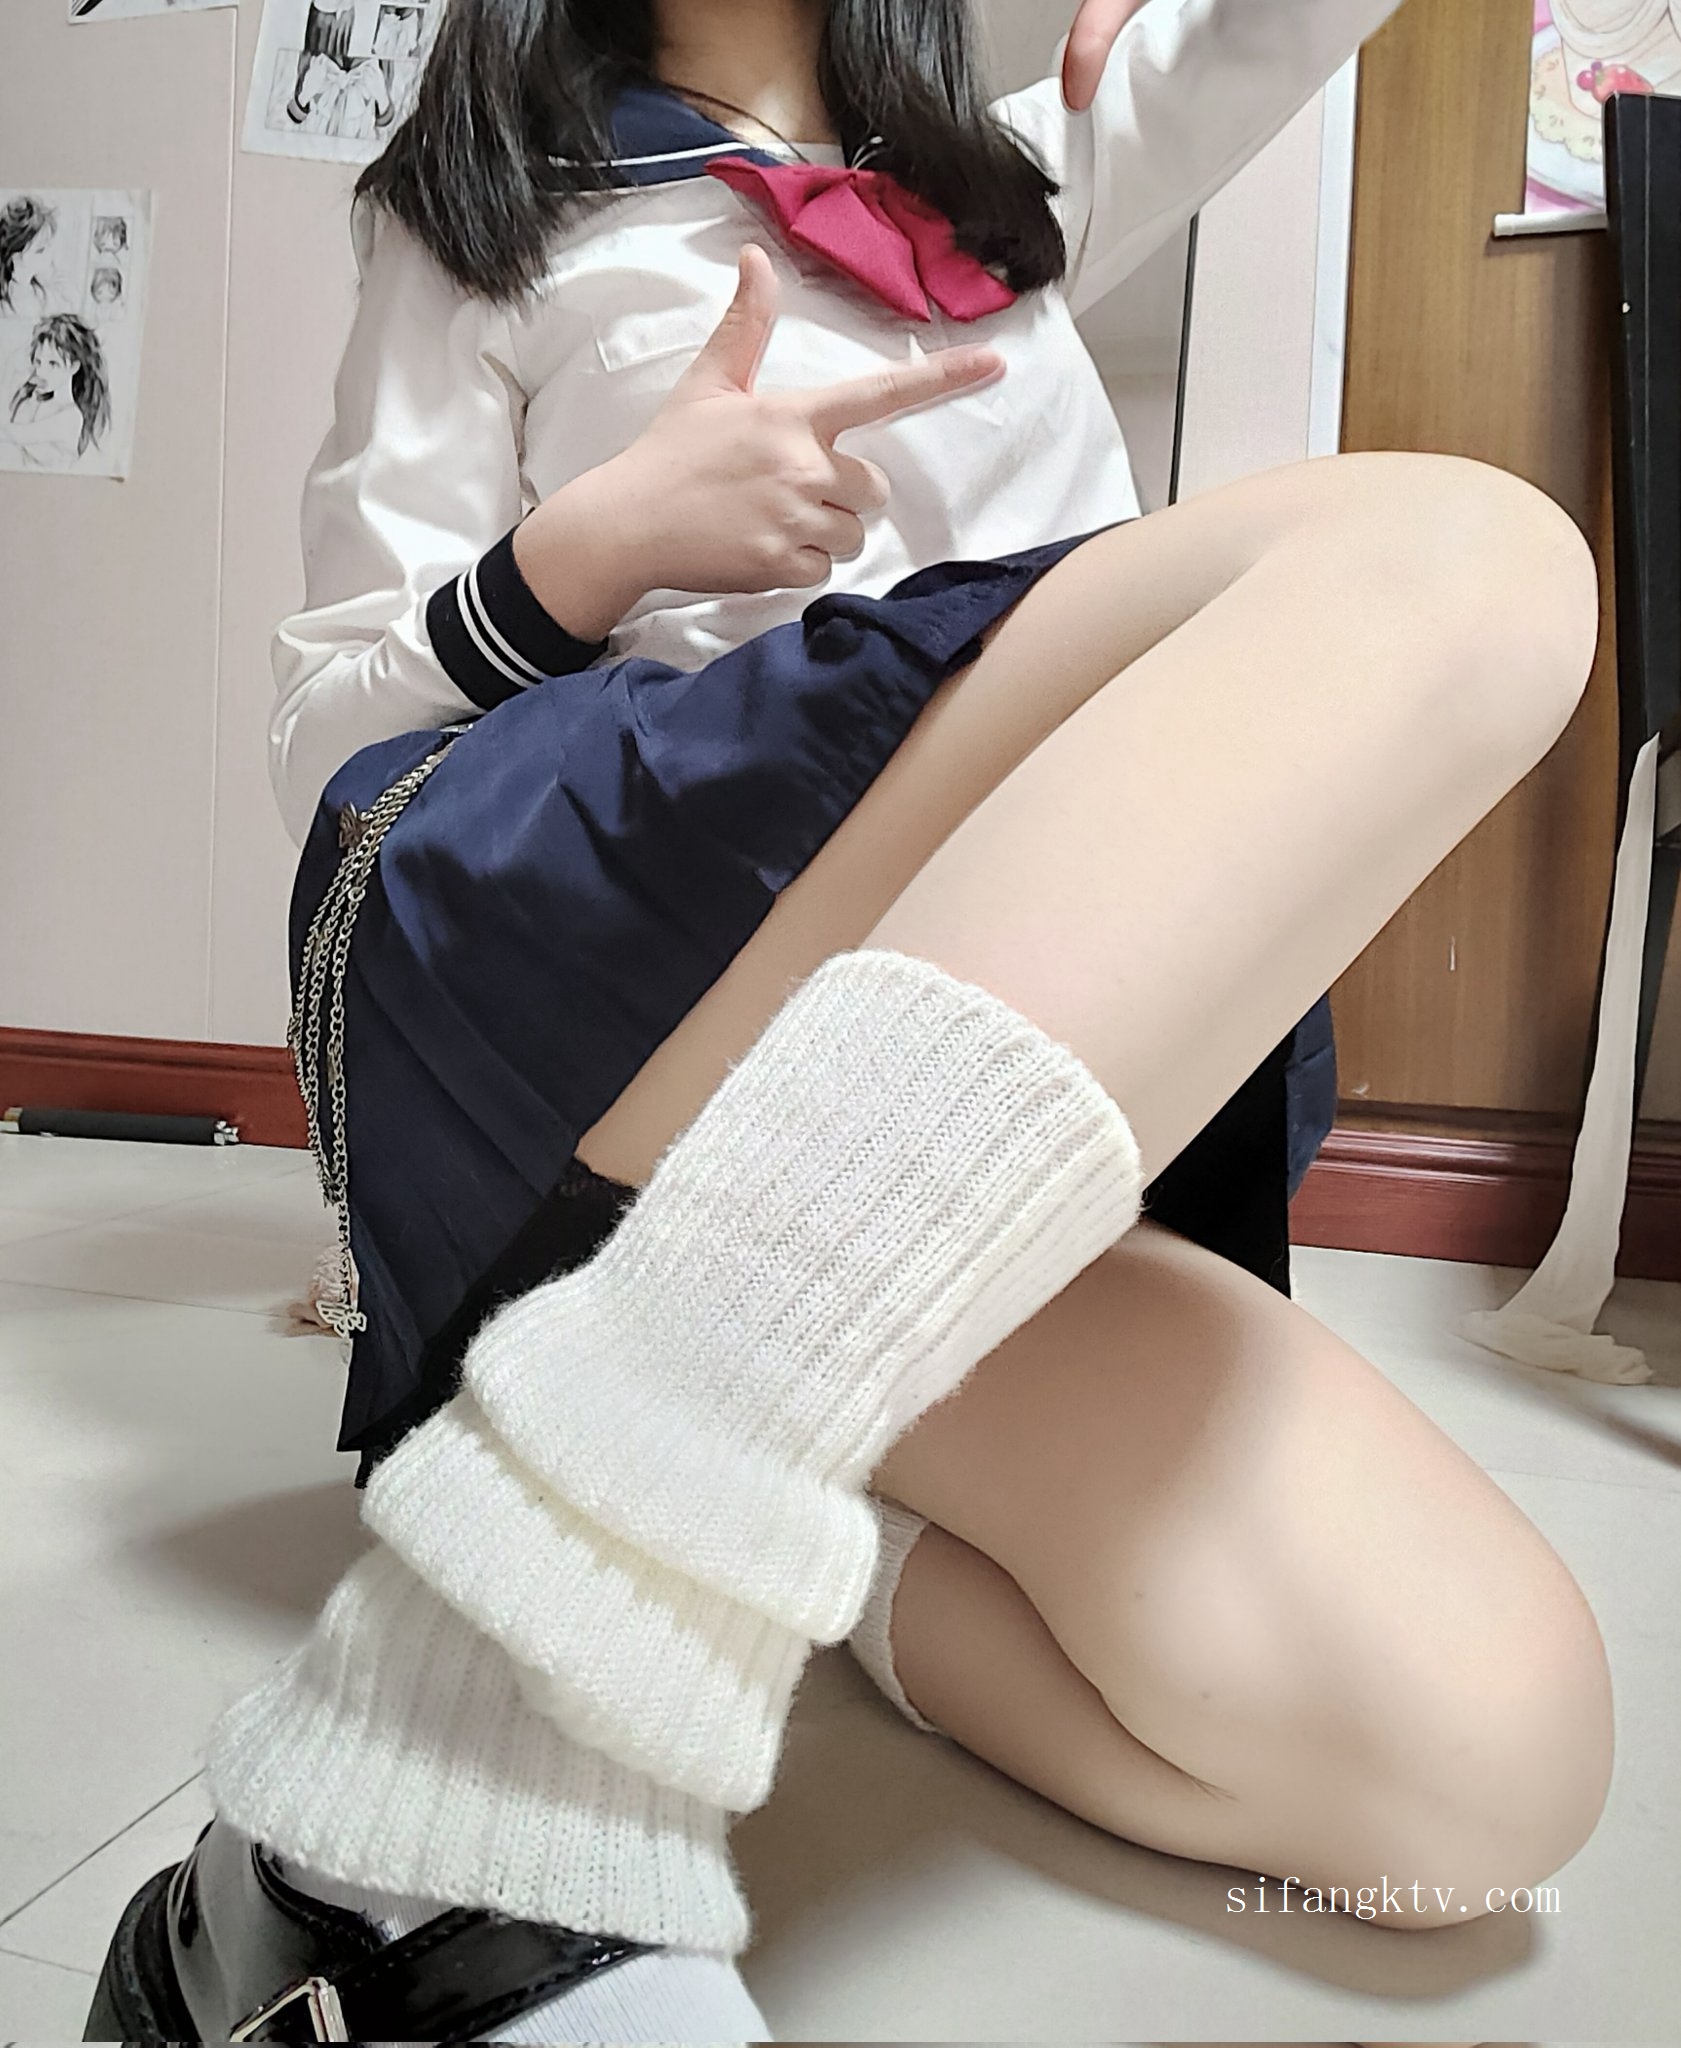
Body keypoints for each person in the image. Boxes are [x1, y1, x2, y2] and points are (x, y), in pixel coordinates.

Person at [87, 0, 1615, 2041]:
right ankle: (455, 1752)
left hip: (928, 1139)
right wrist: (591, 551)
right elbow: (327, 744)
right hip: (658, 997)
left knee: (1484, 1780)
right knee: (1458, 559)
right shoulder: (480, 217)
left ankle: (736, 1508)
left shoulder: (1022, 169)